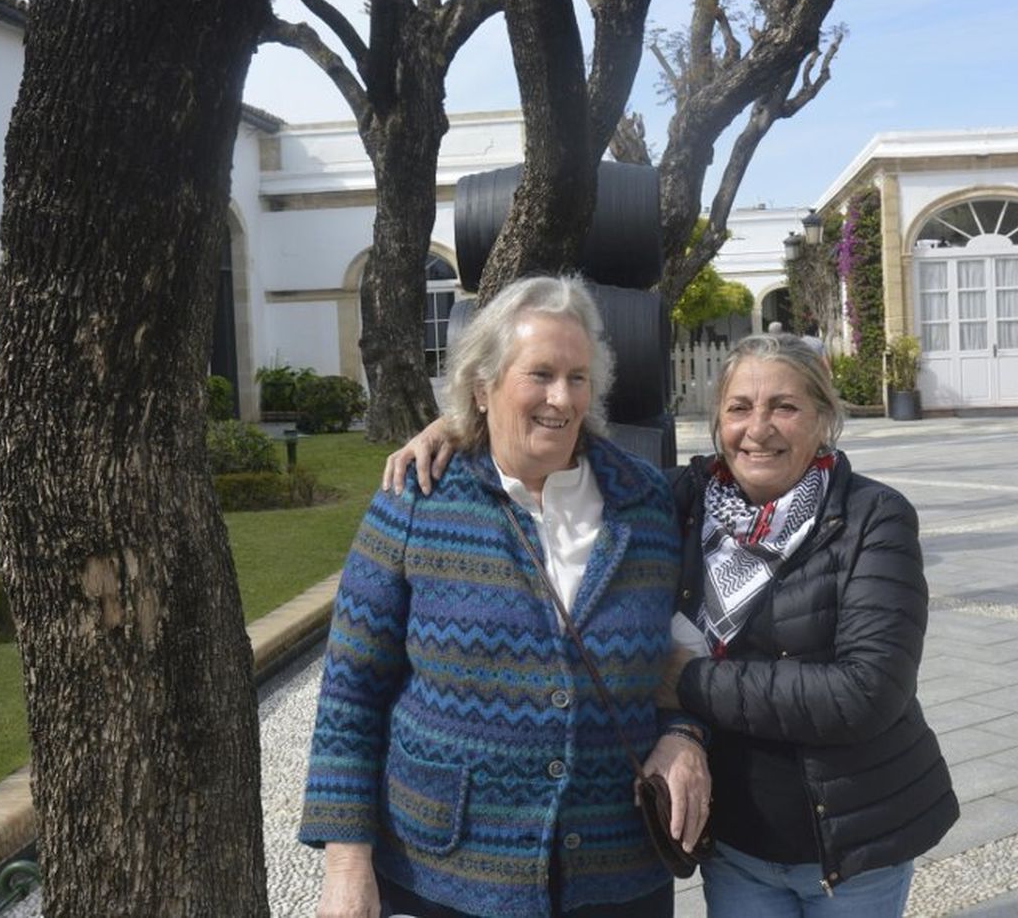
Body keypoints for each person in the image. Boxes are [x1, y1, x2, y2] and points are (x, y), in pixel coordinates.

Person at [386, 333, 958, 916]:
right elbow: (569, 454)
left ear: (823, 419)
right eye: (739, 408)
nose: (758, 428)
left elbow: (865, 692)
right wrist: (459, 430)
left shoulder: (872, 517)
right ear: (717, 422)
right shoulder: (681, 500)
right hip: (737, 843)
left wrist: (687, 682)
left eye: (784, 407)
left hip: (852, 844)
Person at [300, 275, 711, 918]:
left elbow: (677, 654)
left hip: (616, 870)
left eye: (578, 377)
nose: (561, 397)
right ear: (483, 386)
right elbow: (352, 690)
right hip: (448, 870)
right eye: (539, 373)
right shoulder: (418, 500)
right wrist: (347, 862)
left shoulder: (646, 502)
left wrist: (683, 736)